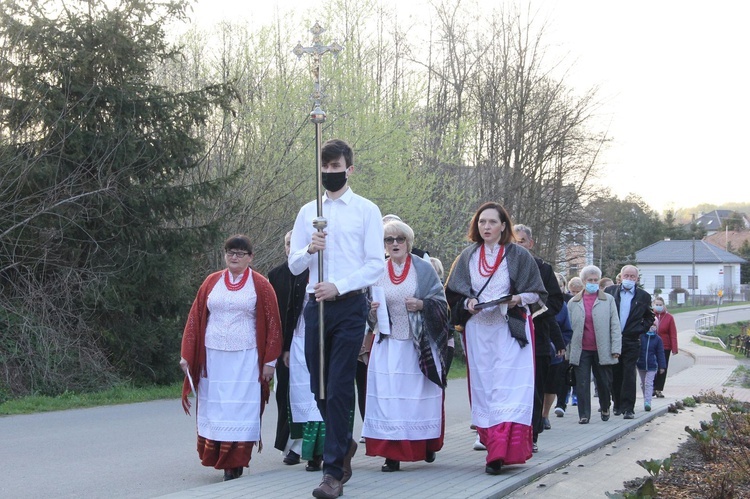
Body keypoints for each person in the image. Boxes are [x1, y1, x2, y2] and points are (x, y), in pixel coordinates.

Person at [288, 138, 384, 499]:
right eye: (324, 168)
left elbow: (375, 264)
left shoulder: (366, 210)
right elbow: (295, 264)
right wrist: (309, 249)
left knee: (340, 383)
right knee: (319, 385)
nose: (330, 173)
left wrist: (339, 286)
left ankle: (332, 475)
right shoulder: (307, 212)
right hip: (316, 306)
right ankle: (343, 444)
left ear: (349, 168)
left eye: (335, 167)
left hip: (349, 305)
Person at [445, 202, 547, 475]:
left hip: (510, 330)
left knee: (508, 387)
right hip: (478, 330)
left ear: (504, 226)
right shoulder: (467, 256)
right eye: (482, 222)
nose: (486, 227)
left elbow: (537, 293)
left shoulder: (518, 256)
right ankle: (492, 447)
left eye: (492, 222)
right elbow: (452, 294)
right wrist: (467, 303)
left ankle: (502, 451)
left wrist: (517, 299)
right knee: (485, 387)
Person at [180, 235, 282, 481]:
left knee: (239, 408)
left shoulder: (261, 285)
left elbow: (273, 324)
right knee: (216, 406)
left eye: (240, 253)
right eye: (230, 253)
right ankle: (216, 456)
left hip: (246, 358)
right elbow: (195, 318)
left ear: (250, 257)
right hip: (213, 358)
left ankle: (235, 462)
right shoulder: (211, 282)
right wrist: (187, 355)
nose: (234, 257)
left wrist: (270, 362)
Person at [362, 220, 449, 472]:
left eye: (400, 239)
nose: (395, 244)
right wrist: (371, 310)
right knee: (389, 399)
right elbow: (365, 313)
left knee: (415, 398)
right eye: (389, 240)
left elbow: (441, 304)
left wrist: (422, 305)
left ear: (409, 242)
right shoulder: (376, 270)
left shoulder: (423, 269)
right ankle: (392, 454)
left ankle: (425, 444)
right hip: (387, 343)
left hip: (417, 344)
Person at [513, 224, 564, 452]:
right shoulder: (500, 268)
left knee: (534, 389)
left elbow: (555, 302)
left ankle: (532, 434)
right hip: (508, 338)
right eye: (513, 241)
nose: (517, 246)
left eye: (521, 241)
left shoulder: (544, 269)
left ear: (530, 244)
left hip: (537, 338)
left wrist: (529, 306)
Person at [268, 231, 308, 465]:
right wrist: (280, 348)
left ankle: (308, 446)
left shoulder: (314, 272)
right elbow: (274, 316)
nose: (291, 247)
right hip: (286, 347)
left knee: (308, 396)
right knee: (285, 395)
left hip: (308, 342)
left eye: (296, 243)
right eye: (288, 244)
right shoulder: (276, 275)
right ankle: (289, 445)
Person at [567, 265, 621, 424]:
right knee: (582, 383)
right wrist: (568, 352)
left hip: (602, 348)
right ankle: (584, 414)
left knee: (604, 382)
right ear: (583, 281)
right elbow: (569, 328)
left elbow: (615, 325)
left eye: (595, 280)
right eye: (589, 280)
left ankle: (605, 406)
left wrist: (616, 348)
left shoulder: (608, 300)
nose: (593, 282)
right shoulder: (573, 302)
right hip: (581, 349)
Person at [605, 265, 654, 420]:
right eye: (627, 275)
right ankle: (617, 403)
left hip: (631, 340)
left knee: (629, 373)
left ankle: (628, 408)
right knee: (615, 372)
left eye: (632, 276)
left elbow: (650, 317)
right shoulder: (610, 292)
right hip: (613, 338)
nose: (629, 279)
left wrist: (640, 329)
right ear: (621, 276)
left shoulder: (643, 296)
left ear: (637, 279)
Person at [652, 297, 678, 398]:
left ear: (663, 305)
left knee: (662, 367)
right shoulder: (650, 316)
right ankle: (652, 387)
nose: (658, 306)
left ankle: (659, 389)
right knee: (652, 367)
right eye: (656, 304)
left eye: (660, 305)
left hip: (665, 346)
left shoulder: (669, 317)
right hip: (652, 346)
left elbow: (673, 333)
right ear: (653, 305)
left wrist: (674, 347)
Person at [637, 325, 666, 412]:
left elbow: (660, 353)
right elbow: (637, 350)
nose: (651, 327)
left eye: (654, 325)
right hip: (641, 364)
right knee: (643, 384)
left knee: (648, 383)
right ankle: (646, 398)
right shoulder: (641, 337)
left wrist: (662, 366)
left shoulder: (658, 339)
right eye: (650, 325)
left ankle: (647, 402)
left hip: (652, 365)